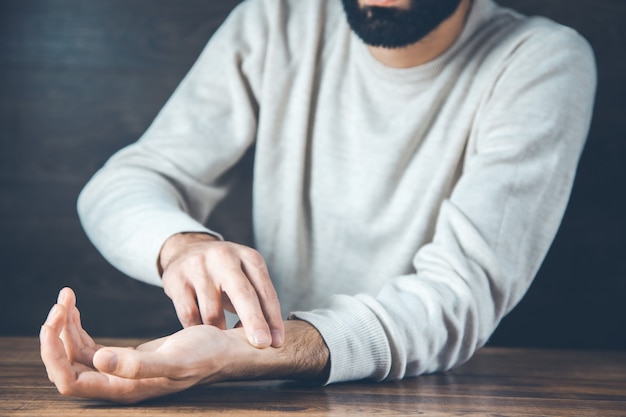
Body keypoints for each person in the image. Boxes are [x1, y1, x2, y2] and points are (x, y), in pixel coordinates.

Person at [40, 0, 596, 404]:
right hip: (267, 391)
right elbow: (125, 181)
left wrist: (252, 355)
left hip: (421, 397)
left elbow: (456, 297)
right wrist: (183, 245)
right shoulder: (277, 19)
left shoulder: (541, 59)